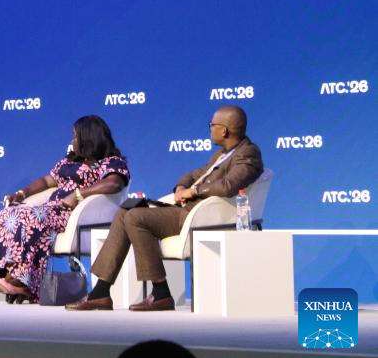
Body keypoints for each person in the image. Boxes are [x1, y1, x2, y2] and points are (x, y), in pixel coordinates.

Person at [68, 105, 263, 311]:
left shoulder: (248, 154)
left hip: (201, 216)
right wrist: (181, 187)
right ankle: (101, 292)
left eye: (212, 125)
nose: (210, 129)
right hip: (186, 211)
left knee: (135, 217)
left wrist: (194, 191)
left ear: (224, 130)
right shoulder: (222, 154)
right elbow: (194, 174)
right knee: (125, 211)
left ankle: (161, 293)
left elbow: (229, 185)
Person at [0, 115, 129, 303]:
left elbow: (114, 183)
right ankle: (3, 274)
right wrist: (22, 193)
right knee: (8, 213)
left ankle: (20, 280)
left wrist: (78, 194)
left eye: (76, 136)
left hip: (74, 213)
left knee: (32, 217)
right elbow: (47, 181)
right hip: (51, 209)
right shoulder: (69, 161)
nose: (72, 141)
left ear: (89, 138)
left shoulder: (111, 162)